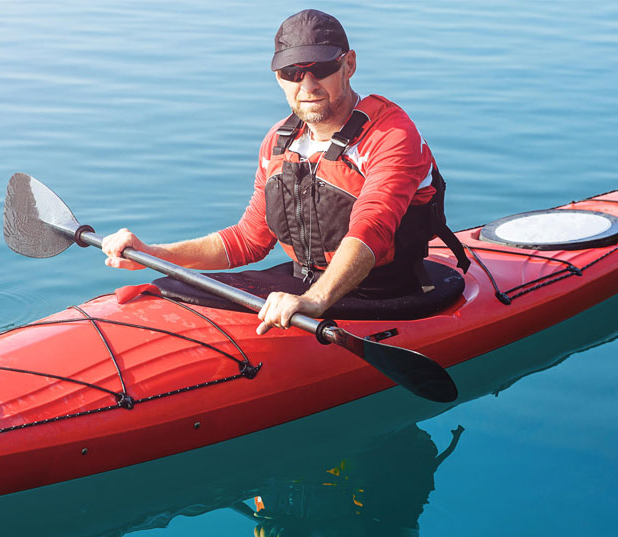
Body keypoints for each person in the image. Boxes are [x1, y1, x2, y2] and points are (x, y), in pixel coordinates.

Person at [102, 9, 468, 335]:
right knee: (170, 283)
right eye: (292, 73)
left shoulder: (392, 135)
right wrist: (154, 252)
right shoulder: (279, 142)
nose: (307, 86)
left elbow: (371, 229)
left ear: (349, 65)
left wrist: (314, 300)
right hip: (302, 289)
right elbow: (247, 240)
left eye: (321, 69)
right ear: (278, 77)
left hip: (384, 293)